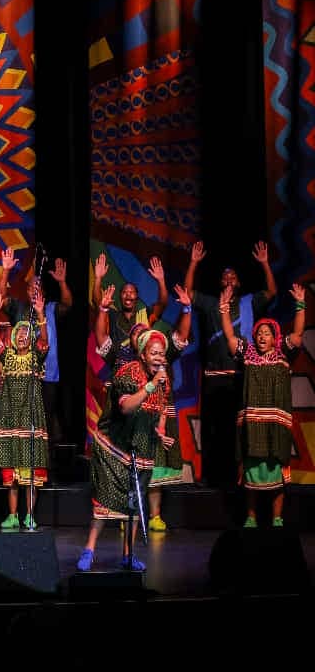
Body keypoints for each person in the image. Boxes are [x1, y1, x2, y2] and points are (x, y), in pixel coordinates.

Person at [94, 280, 193, 532]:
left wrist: (187, 310)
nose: (141, 336)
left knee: (156, 464)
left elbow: (181, 338)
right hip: (129, 417)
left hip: (155, 415)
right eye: (137, 334)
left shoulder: (160, 354)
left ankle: (155, 515)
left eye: (145, 333)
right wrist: (103, 311)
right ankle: (127, 515)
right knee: (129, 465)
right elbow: (102, 338)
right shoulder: (121, 354)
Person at [185, 240, 277, 489]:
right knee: (214, 429)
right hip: (214, 376)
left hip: (241, 375)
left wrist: (265, 264)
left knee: (239, 430)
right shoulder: (211, 303)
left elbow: (271, 291)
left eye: (233, 276)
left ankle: (239, 476)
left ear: (239, 283)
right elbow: (188, 293)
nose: (228, 278)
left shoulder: (249, 302)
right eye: (225, 276)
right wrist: (193, 262)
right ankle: (211, 477)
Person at [76, 329, 170, 572]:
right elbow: (127, 407)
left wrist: (160, 432)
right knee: (105, 502)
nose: (158, 357)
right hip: (113, 447)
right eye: (153, 352)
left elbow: (159, 409)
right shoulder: (126, 374)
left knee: (134, 504)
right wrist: (149, 386)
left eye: (161, 353)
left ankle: (128, 555)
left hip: (141, 448)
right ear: (143, 353)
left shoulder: (162, 379)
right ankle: (89, 549)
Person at [218, 283, 306, 527]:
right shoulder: (247, 353)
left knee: (276, 472)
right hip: (252, 426)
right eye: (258, 333)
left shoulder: (283, 353)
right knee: (251, 474)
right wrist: (224, 309)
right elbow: (229, 336)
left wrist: (300, 304)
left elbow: (298, 335)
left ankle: (277, 518)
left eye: (266, 333)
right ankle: (251, 517)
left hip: (276, 427)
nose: (261, 336)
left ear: (274, 337)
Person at [0, 248, 73, 444]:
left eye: (38, 288)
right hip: (23, 374)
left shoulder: (51, 309)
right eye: (31, 287)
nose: (34, 290)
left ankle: (44, 462)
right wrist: (5, 271)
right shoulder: (19, 308)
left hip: (48, 374)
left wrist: (62, 282)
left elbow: (68, 304)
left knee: (44, 420)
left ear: (44, 293)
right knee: (22, 420)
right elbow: (1, 297)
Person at [0, 292, 49, 530]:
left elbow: (45, 340)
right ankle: (13, 515)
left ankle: (30, 515)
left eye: (26, 333)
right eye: (19, 333)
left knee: (30, 472)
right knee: (12, 471)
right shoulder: (8, 355)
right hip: (10, 416)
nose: (22, 335)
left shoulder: (36, 356)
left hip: (31, 416)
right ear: (13, 337)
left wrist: (42, 313)